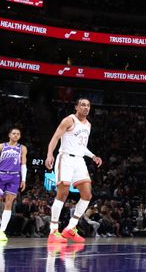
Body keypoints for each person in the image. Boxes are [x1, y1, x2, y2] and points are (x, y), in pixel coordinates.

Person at [44, 98, 103, 244]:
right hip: (65, 158)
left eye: (88, 105)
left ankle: (70, 228)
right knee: (62, 193)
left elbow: (82, 146)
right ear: (76, 107)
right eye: (83, 105)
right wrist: (49, 154)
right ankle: (53, 231)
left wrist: (93, 155)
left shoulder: (88, 125)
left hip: (79, 160)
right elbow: (55, 137)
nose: (86, 107)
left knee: (87, 194)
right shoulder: (69, 120)